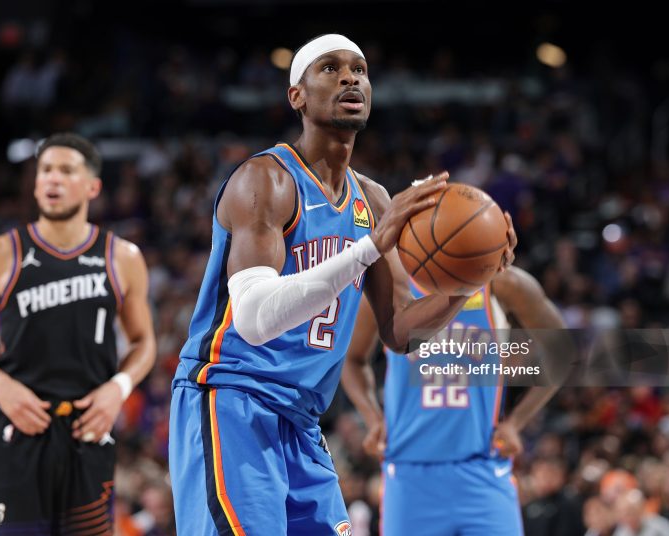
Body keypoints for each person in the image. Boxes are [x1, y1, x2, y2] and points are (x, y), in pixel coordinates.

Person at [168, 33, 517, 535]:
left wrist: (464, 282)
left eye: (360, 69)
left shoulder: (372, 199)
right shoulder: (266, 181)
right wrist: (371, 247)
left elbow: (399, 331)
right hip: (231, 400)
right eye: (331, 69)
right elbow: (253, 319)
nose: (351, 77)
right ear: (298, 96)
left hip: (302, 420)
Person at [0, 133, 156, 533]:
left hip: (90, 433)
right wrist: (0, 386)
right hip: (18, 435)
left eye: (66, 171)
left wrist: (118, 387)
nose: (52, 179)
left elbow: (144, 342)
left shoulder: (122, 257)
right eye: (45, 170)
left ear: (92, 186)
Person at [341, 266, 567, 535]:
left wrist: (516, 423)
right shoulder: (391, 286)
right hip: (408, 471)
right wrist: (372, 418)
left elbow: (562, 352)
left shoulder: (502, 282)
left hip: (482, 466)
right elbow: (351, 359)